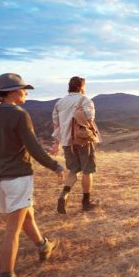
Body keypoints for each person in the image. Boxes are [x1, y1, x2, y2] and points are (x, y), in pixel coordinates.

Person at [0, 73, 64, 277]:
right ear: (14, 92)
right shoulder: (19, 114)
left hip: (0, 180)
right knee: (12, 230)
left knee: (26, 215)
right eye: (24, 89)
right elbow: (33, 147)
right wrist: (55, 166)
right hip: (18, 177)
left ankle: (44, 245)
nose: (26, 92)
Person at [51, 76, 99, 214]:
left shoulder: (59, 103)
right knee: (87, 170)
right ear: (81, 86)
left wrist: (56, 143)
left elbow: (56, 125)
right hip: (82, 140)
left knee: (73, 170)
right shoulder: (85, 100)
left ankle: (64, 195)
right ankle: (86, 202)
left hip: (67, 142)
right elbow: (89, 119)